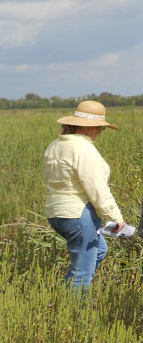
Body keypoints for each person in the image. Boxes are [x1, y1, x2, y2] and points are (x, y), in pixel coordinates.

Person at [44, 100, 125, 292]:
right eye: (100, 129)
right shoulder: (84, 149)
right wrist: (116, 218)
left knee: (100, 250)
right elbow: (97, 188)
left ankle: (63, 294)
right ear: (91, 127)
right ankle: (73, 312)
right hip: (79, 214)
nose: (99, 133)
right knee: (83, 271)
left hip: (56, 212)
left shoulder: (55, 145)